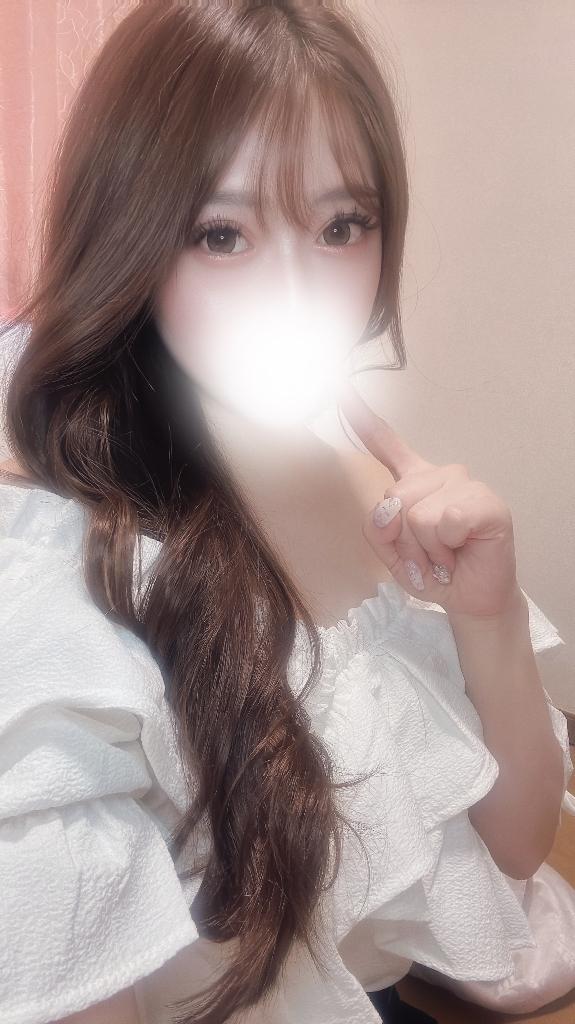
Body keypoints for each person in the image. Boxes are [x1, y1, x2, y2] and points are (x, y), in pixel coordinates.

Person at [0, 3, 573, 1023]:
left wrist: (484, 614)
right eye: (222, 234)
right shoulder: (57, 549)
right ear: (130, 237)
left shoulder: (369, 488)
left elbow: (516, 847)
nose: (296, 293)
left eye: (340, 225)